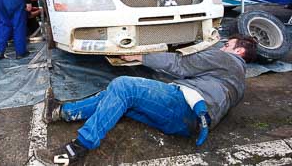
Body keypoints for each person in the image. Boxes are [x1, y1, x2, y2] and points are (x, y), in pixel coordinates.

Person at [36, 35, 257, 165]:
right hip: (187, 124)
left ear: (238, 50)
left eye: (228, 44)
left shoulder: (227, 59)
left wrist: (138, 56)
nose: (223, 46)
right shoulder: (238, 82)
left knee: (124, 85)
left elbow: (180, 65)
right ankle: (62, 112)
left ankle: (76, 149)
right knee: (118, 98)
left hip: (185, 107)